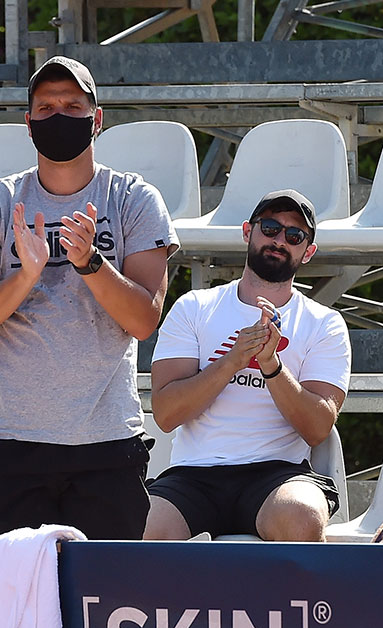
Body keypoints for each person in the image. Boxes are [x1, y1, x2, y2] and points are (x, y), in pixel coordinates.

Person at [0, 56, 178, 539]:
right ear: (28, 124)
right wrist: (23, 277)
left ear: (97, 120)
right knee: (14, 602)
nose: (59, 116)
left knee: (105, 603)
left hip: (108, 443)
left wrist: (90, 263)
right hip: (10, 445)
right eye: (46, 106)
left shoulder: (134, 198)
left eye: (73, 106)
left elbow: (143, 319)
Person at [144, 189, 349, 542]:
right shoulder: (194, 307)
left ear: (308, 251)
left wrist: (270, 366)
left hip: (278, 475)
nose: (280, 240)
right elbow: (165, 414)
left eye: (294, 235)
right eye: (269, 227)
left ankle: (292, 601)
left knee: (301, 517)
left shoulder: (324, 323)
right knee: (141, 524)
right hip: (194, 474)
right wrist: (234, 360)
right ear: (247, 232)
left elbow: (317, 428)